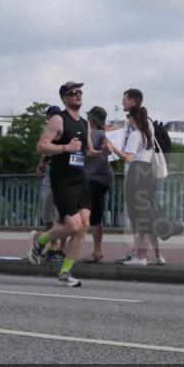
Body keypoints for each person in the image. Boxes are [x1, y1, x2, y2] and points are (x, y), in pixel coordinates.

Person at [27, 82, 109, 287]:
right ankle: (41, 240)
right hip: (62, 179)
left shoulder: (84, 123)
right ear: (64, 98)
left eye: (80, 92)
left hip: (80, 179)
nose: (77, 95)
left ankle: (65, 272)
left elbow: (88, 151)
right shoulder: (58, 119)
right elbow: (41, 146)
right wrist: (66, 147)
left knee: (83, 227)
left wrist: (102, 154)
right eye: (72, 93)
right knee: (73, 226)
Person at [103, 88, 179, 267]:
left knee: (140, 218)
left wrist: (113, 149)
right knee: (147, 214)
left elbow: (129, 156)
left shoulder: (136, 133)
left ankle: (140, 256)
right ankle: (153, 254)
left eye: (124, 99)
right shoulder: (147, 131)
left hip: (137, 174)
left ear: (132, 103)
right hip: (148, 173)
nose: (122, 102)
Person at [82, 105, 113, 263]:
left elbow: (90, 151)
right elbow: (107, 144)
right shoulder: (103, 133)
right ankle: (97, 250)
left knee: (88, 214)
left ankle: (97, 251)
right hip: (104, 178)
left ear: (91, 119)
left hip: (93, 178)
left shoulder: (93, 134)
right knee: (96, 214)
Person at [37, 105, 65, 262]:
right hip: (50, 175)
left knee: (61, 214)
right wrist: (42, 162)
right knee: (50, 213)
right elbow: (45, 152)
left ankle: (58, 247)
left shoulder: (63, 129)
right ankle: (55, 246)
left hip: (61, 175)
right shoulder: (49, 130)